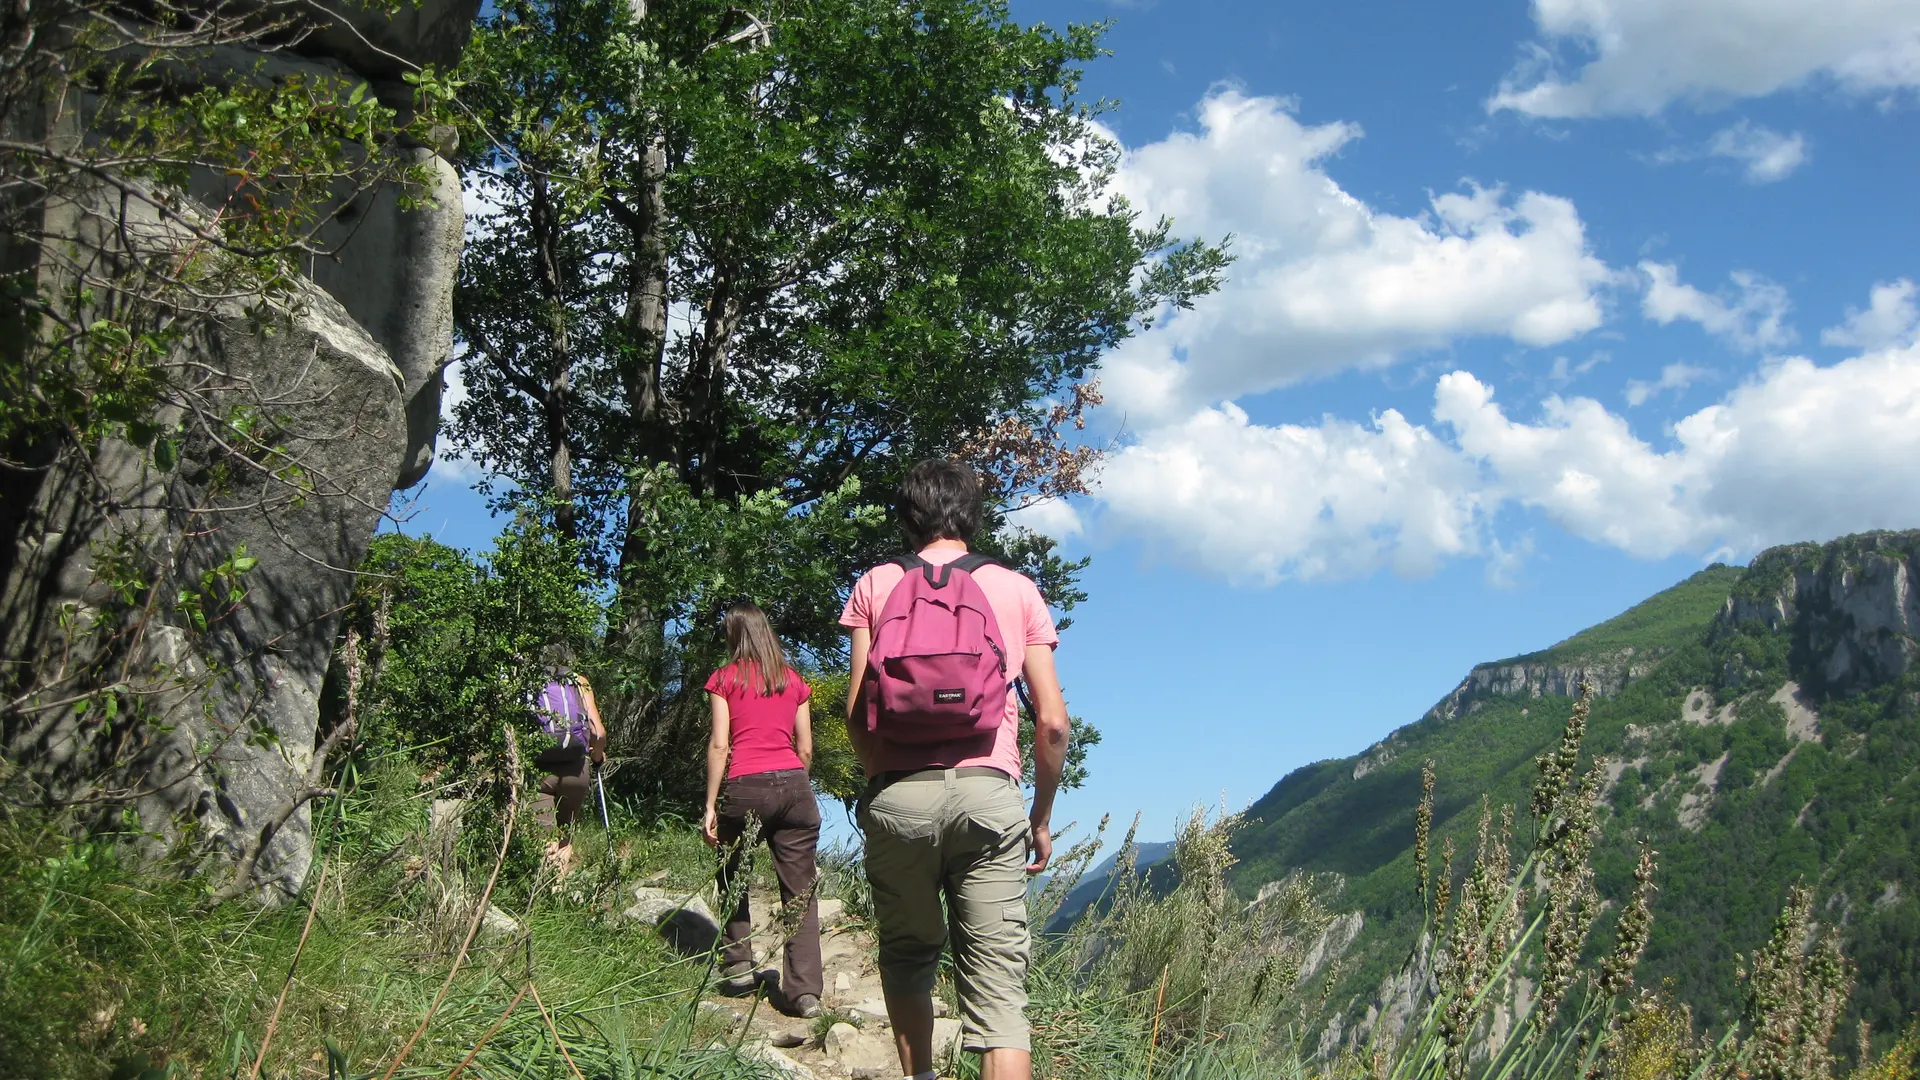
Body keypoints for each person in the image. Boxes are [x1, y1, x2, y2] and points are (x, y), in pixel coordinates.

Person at [841, 459, 1070, 1080]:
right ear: (971, 513)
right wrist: (1041, 817)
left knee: (909, 954)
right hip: (989, 797)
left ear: (907, 515)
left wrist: (878, 782)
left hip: (899, 799)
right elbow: (1052, 723)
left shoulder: (876, 584)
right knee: (998, 993)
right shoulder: (1017, 589)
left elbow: (858, 708)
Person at [701, 601, 824, 1019]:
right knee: (800, 890)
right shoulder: (793, 681)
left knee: (733, 871)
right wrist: (792, 782)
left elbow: (720, 745)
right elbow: (806, 748)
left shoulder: (724, 679)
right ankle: (804, 992)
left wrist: (710, 804)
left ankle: (738, 965)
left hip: (743, 784)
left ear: (734, 635)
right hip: (794, 785)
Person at [530, 642, 607, 878]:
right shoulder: (579, 681)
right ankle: (560, 887)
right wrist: (596, 756)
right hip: (577, 769)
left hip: (540, 769)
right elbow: (598, 732)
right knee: (565, 833)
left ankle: (544, 893)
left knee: (543, 836)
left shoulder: (530, 681)